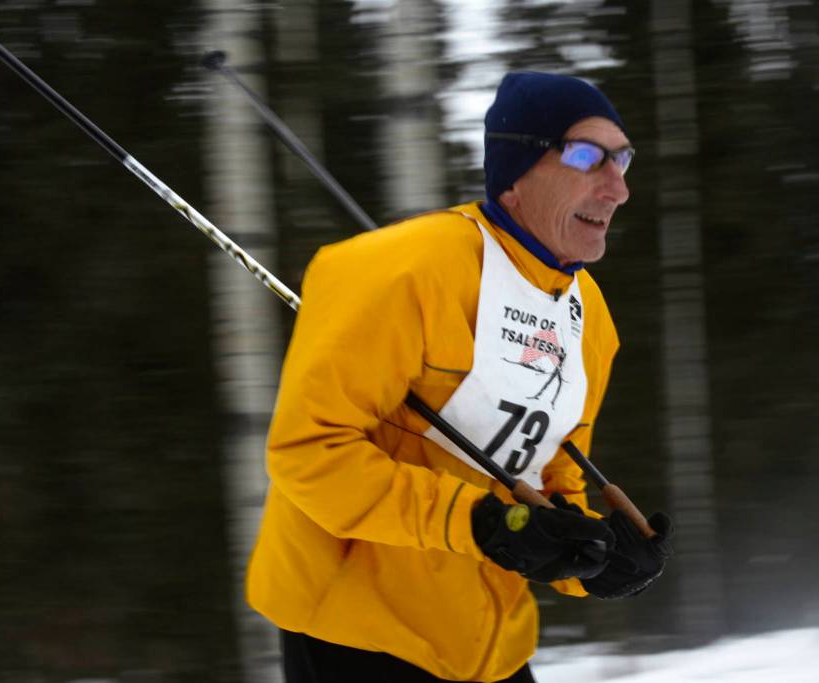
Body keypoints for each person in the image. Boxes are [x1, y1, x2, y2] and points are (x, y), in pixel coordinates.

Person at [246, 71, 673, 683]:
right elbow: (309, 454)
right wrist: (478, 522)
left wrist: (594, 558)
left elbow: (551, 472)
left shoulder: (589, 319)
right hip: (357, 632)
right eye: (585, 156)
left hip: (487, 642)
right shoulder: (403, 271)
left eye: (623, 159)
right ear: (516, 171)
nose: (618, 188)